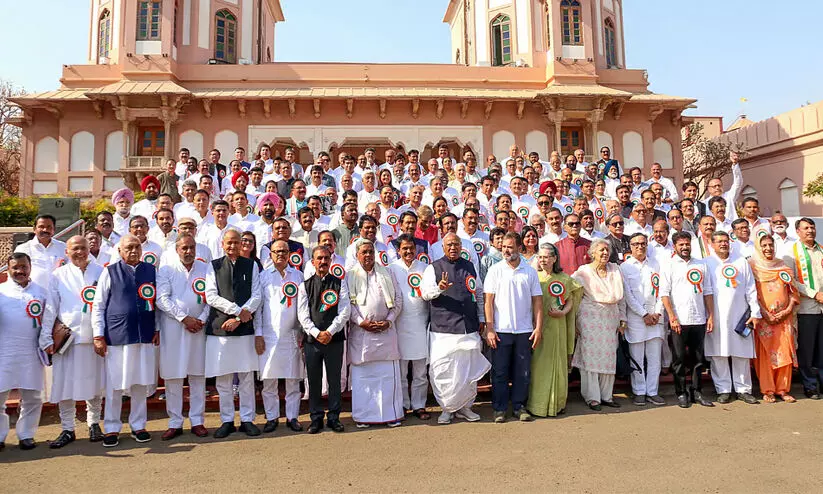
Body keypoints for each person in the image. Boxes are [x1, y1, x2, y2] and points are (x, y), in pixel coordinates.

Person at [91, 234, 159, 447]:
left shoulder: (151, 270)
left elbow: (156, 303)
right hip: (117, 335)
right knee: (115, 385)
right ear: (119, 251)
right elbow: (99, 305)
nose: (134, 251)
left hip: (144, 336)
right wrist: (98, 335)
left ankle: (139, 425)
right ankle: (112, 428)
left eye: (137, 247)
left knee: (140, 382)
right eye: (129, 247)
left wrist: (156, 328)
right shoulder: (110, 271)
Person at [39, 236, 105, 448]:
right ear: (66, 252)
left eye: (83, 248)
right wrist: (46, 336)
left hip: (94, 337)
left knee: (95, 384)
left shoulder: (101, 272)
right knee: (64, 386)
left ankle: (94, 423)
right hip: (68, 340)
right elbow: (51, 308)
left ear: (89, 250)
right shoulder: (58, 275)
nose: (80, 252)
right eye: (75, 248)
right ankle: (68, 428)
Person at [420, 233, 491, 424]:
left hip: (468, 327)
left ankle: (466, 408)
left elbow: (478, 293)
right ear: (443, 247)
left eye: (456, 244)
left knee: (468, 370)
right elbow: (425, 294)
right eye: (449, 244)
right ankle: (447, 408)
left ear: (461, 246)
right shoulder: (433, 268)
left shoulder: (470, 266)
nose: (453, 248)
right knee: (443, 371)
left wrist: (481, 317)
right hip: (443, 330)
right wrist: (439, 288)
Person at [204, 229, 262, 439]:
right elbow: (210, 295)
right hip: (221, 329)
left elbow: (257, 295)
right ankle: (227, 420)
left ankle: (247, 419)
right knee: (223, 379)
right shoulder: (213, 266)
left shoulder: (251, 265)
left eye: (236, 242)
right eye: (229, 242)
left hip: (244, 328)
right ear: (222, 244)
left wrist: (239, 318)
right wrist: (237, 311)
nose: (232, 246)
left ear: (241, 244)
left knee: (246, 377)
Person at [155, 234, 210, 440]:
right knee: (173, 377)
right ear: (177, 249)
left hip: (198, 329)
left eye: (191, 247)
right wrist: (184, 318)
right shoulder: (166, 270)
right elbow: (161, 299)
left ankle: (197, 421)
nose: (188, 251)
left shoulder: (205, 269)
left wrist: (201, 319)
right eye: (184, 248)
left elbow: (211, 298)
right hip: (173, 329)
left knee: (198, 376)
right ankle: (175, 422)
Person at [484, 233, 542, 423]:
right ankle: (499, 409)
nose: (506, 250)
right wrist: (490, 328)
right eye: (503, 247)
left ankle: (519, 407)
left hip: (525, 331)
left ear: (519, 248)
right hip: (501, 331)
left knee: (522, 372)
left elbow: (537, 302)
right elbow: (488, 301)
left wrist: (538, 328)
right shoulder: (495, 270)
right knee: (500, 372)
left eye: (510, 247)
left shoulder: (530, 272)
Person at [348, 239, 404, 428]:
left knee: (387, 378)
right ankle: (364, 417)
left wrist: (389, 320)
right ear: (357, 255)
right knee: (364, 380)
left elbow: (398, 300)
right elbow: (347, 304)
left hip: (386, 333)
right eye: (364, 252)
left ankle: (391, 415)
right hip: (362, 335)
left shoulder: (387, 273)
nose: (368, 255)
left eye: (370, 252)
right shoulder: (349, 276)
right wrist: (360, 321)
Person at [297, 245, 351, 434]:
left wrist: (330, 331)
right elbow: (302, 314)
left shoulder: (340, 283)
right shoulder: (304, 286)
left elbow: (345, 311)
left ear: (330, 261)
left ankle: (334, 417)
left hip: (334, 340)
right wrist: (316, 333)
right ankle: (316, 418)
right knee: (314, 380)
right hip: (313, 341)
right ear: (313, 262)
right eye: (319, 258)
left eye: (326, 258)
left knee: (334, 380)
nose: (323, 261)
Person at [255, 240, 306, 433]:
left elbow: (303, 306)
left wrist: (302, 331)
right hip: (269, 335)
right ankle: (272, 417)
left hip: (293, 334)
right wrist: (258, 334)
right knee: (269, 380)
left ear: (289, 254)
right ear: (270, 255)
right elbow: (258, 308)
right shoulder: (263, 276)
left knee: (293, 379)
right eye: (277, 251)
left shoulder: (298, 275)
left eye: (284, 251)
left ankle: (293, 417)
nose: (281, 254)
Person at [660, 232, 715, 408]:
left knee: (698, 359)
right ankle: (681, 392)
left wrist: (711, 315)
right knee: (679, 359)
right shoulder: (668, 265)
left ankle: (697, 391)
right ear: (674, 246)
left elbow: (707, 292)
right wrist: (672, 317)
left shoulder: (701, 264)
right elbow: (664, 294)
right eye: (681, 244)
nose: (685, 247)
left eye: (687, 244)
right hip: (679, 320)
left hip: (699, 319)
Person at [527, 244, 582, 417]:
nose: (543, 260)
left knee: (558, 363)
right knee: (538, 365)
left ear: (554, 258)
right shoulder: (533, 277)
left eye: (546, 257)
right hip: (537, 326)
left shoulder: (564, 278)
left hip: (558, 326)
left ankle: (557, 403)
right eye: (540, 257)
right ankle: (537, 404)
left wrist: (563, 312)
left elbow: (572, 298)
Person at [571, 239, 626, 411]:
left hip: (610, 319)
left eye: (607, 250)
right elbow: (572, 294)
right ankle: (592, 397)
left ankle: (606, 396)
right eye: (601, 250)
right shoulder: (583, 272)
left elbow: (622, 298)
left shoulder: (615, 270)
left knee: (608, 358)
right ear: (592, 253)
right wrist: (574, 321)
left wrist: (623, 319)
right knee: (590, 358)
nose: (605, 253)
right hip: (589, 319)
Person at [0, 253, 47, 451]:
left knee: (33, 398)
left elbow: (48, 321)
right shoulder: (1, 291)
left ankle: (26, 435)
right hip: (4, 351)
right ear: (8, 269)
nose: (20, 271)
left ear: (30, 268)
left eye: (24, 267)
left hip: (31, 352)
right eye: (15, 267)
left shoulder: (41, 292)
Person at [749, 234, 800, 403]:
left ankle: (783, 389)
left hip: (783, 319)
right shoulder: (753, 267)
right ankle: (768, 390)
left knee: (784, 354)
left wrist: (788, 310)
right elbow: (751, 294)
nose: (768, 248)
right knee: (766, 356)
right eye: (764, 245)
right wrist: (764, 313)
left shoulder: (783, 266)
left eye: (770, 245)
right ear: (758, 247)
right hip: (764, 319)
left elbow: (793, 292)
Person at [387, 234, 431, 419]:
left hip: (420, 323)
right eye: (404, 248)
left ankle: (419, 405)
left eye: (411, 248)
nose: (408, 251)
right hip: (399, 325)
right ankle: (403, 404)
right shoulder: (391, 269)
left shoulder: (425, 268)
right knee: (402, 370)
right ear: (398, 250)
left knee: (420, 371)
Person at [619, 234, 666, 406]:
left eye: (643, 243)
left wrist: (657, 313)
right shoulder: (624, 267)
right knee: (637, 358)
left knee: (654, 359)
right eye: (636, 244)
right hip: (636, 319)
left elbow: (662, 290)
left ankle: (652, 391)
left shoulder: (656, 264)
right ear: (630, 246)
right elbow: (627, 295)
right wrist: (643, 314)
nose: (640, 246)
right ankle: (639, 391)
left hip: (655, 318)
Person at [784, 218, 823, 399]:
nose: (810, 231)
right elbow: (791, 281)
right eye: (805, 228)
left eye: (812, 227)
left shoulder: (821, 249)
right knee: (807, 350)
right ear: (798, 231)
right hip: (807, 308)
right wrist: (815, 294)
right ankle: (810, 385)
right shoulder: (791, 253)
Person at [14, 214, 67, 289]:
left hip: (58, 291)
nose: (45, 230)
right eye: (41, 227)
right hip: (32, 292)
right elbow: (14, 272)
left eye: (49, 227)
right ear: (34, 229)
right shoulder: (23, 249)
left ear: (54, 230)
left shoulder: (63, 247)